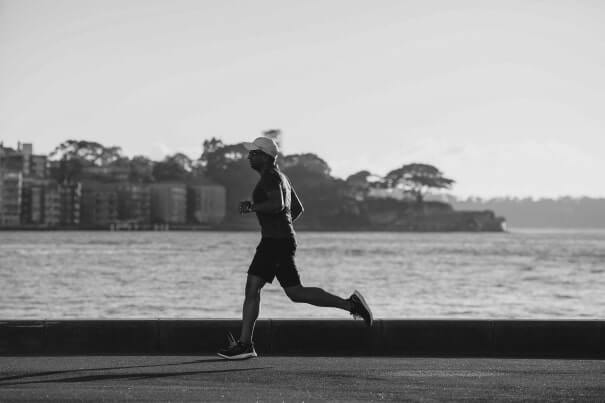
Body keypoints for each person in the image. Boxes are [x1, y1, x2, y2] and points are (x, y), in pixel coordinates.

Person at [217, 136, 373, 360]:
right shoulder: (282, 177)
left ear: (266, 157)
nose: (249, 156)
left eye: (254, 153)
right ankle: (351, 305)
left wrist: (253, 207)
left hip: (274, 242)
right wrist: (284, 226)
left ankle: (245, 345)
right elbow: (296, 209)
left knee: (253, 288)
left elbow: (278, 205)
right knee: (295, 292)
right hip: (280, 240)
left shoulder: (270, 177)